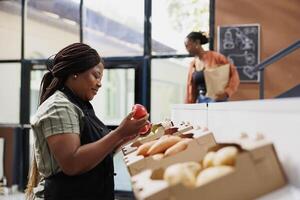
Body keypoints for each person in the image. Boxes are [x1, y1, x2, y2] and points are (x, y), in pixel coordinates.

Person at [25, 43, 148, 200]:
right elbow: (72, 163)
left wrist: (129, 135)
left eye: (101, 78)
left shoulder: (81, 105)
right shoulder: (58, 106)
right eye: (96, 76)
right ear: (75, 73)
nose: (100, 83)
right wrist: (119, 133)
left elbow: (99, 150)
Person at [184, 31, 240, 103]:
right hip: (200, 101)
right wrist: (189, 106)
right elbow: (190, 89)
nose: (186, 49)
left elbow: (234, 74)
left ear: (197, 43)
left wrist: (227, 92)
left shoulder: (216, 57)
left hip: (217, 100)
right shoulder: (193, 64)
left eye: (187, 45)